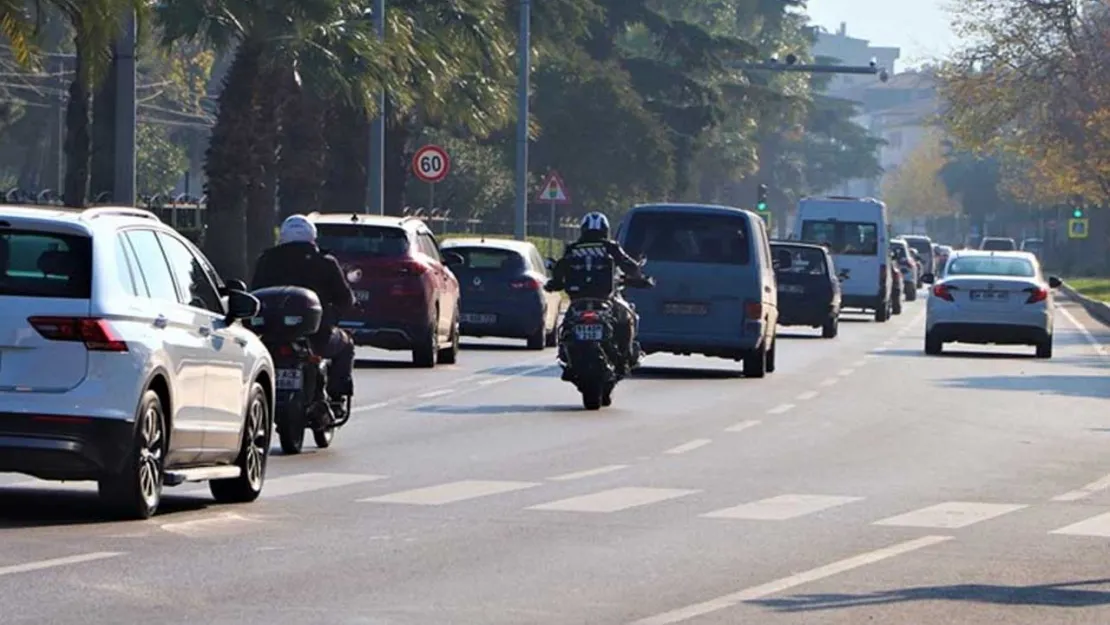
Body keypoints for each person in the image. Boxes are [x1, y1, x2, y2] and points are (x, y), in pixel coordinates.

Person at [251, 215, 357, 410]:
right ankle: (336, 398)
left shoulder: (267, 260)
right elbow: (345, 298)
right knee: (346, 344)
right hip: (318, 336)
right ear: (312, 238)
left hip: (271, 335)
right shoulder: (325, 261)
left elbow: (254, 293)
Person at [545, 212, 646, 374]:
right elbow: (629, 266)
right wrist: (641, 277)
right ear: (605, 230)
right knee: (629, 316)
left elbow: (559, 271)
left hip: (578, 300)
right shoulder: (611, 247)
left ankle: (565, 354)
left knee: (567, 324)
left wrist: (553, 284)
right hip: (606, 299)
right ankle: (626, 356)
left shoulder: (572, 248)